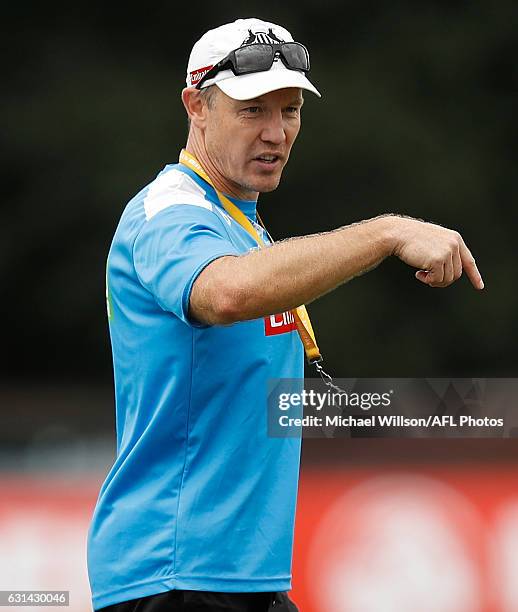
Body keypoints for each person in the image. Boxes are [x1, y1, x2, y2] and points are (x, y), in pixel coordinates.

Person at [87, 17, 484, 612]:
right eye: (253, 111)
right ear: (196, 106)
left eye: (290, 109)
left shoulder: (242, 227)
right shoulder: (170, 209)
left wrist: (439, 411)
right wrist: (385, 233)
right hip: (174, 573)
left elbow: (256, 399)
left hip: (236, 579)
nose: (277, 133)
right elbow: (223, 294)